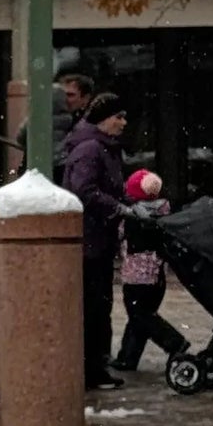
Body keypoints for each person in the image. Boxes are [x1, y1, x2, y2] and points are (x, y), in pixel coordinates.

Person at [61, 90, 130, 389]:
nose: (123, 123)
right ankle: (93, 369)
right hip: (91, 242)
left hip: (97, 240)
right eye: (119, 117)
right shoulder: (92, 149)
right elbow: (85, 191)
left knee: (98, 306)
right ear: (103, 119)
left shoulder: (101, 148)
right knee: (95, 307)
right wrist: (118, 207)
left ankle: (95, 367)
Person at [116, 167, 189, 372]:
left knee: (140, 315)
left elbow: (119, 235)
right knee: (141, 315)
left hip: (136, 277)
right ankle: (128, 357)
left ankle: (174, 342)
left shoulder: (133, 217)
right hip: (158, 276)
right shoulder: (165, 212)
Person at [51, 72, 93, 184]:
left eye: (70, 95)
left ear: (85, 98)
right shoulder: (50, 117)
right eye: (62, 94)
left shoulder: (90, 123)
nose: (64, 99)